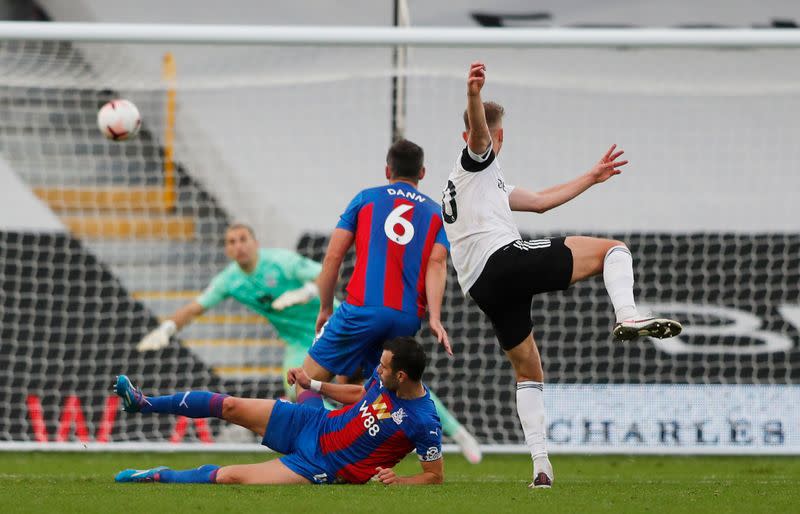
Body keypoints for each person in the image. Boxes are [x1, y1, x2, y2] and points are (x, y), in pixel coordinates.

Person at [442, 62, 683, 488]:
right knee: (614, 250)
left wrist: (591, 177)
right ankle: (627, 315)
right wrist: (474, 96)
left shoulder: (484, 181)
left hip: (483, 285)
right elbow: (480, 136)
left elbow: (538, 202)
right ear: (493, 137)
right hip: (502, 260)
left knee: (529, 369)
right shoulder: (475, 161)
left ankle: (540, 466)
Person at [299, 138, 483, 463]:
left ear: (387, 170)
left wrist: (326, 307)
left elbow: (333, 257)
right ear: (422, 172)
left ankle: (308, 452)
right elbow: (438, 263)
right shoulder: (435, 213)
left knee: (306, 381)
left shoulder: (366, 199)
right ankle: (359, 455)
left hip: (362, 309)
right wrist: (435, 317)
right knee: (374, 394)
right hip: (406, 317)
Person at [113, 337, 444, 486]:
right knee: (229, 405)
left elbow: (434, 476)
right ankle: (143, 403)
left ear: (402, 375)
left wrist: (399, 481)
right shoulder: (385, 380)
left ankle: (159, 475)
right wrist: (313, 384)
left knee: (230, 476)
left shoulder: (424, 420)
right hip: (313, 422)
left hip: (320, 465)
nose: (378, 370)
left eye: (384, 368)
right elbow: (359, 393)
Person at [136, 223, 329, 400]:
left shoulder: (281, 261)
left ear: (256, 243)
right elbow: (195, 307)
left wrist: (308, 291)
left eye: (243, 239)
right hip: (298, 341)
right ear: (227, 250)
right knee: (295, 389)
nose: (239, 246)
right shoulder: (230, 280)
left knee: (351, 378)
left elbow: (326, 273)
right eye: (232, 242)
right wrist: (166, 329)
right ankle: (334, 426)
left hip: (330, 323)